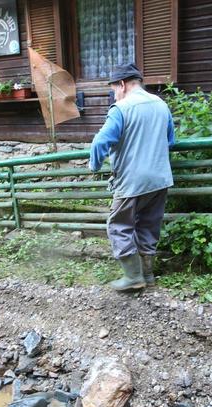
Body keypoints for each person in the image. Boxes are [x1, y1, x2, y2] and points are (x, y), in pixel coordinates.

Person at [89, 63, 176, 291]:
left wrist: (95, 165)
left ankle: (133, 276)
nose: (114, 94)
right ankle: (147, 275)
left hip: (132, 181)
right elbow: (170, 141)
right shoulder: (161, 105)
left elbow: (100, 142)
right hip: (160, 178)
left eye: (114, 89)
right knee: (148, 224)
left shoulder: (121, 109)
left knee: (119, 225)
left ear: (123, 84)